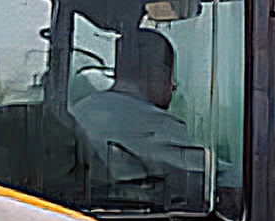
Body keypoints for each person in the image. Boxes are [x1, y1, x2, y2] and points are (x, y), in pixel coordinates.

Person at [69, 27, 211, 208]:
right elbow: (210, 174)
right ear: (158, 74)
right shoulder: (158, 124)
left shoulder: (80, 110)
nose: (172, 87)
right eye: (171, 78)